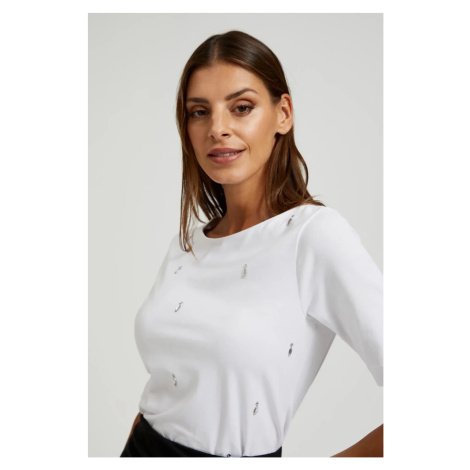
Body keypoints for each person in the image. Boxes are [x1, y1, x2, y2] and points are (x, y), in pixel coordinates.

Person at [120, 30, 383, 458]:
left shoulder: (313, 237)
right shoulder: (187, 245)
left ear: (283, 114)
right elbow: (167, 390)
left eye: (241, 107)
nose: (217, 128)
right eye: (199, 112)